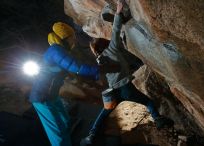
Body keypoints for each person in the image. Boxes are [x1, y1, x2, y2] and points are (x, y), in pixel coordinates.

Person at [81, 1, 174, 145]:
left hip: (112, 92)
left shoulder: (100, 60)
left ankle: (92, 135)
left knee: (104, 113)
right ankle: (159, 120)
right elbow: (116, 31)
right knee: (148, 102)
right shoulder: (111, 49)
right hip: (124, 87)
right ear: (104, 44)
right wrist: (118, 13)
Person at [29, 22, 99, 146]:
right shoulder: (55, 51)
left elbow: (73, 67)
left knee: (65, 122)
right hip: (42, 98)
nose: (74, 39)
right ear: (65, 38)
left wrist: (93, 75)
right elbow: (76, 67)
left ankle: (72, 141)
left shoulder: (60, 50)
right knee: (58, 133)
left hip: (52, 95)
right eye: (72, 36)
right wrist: (98, 70)